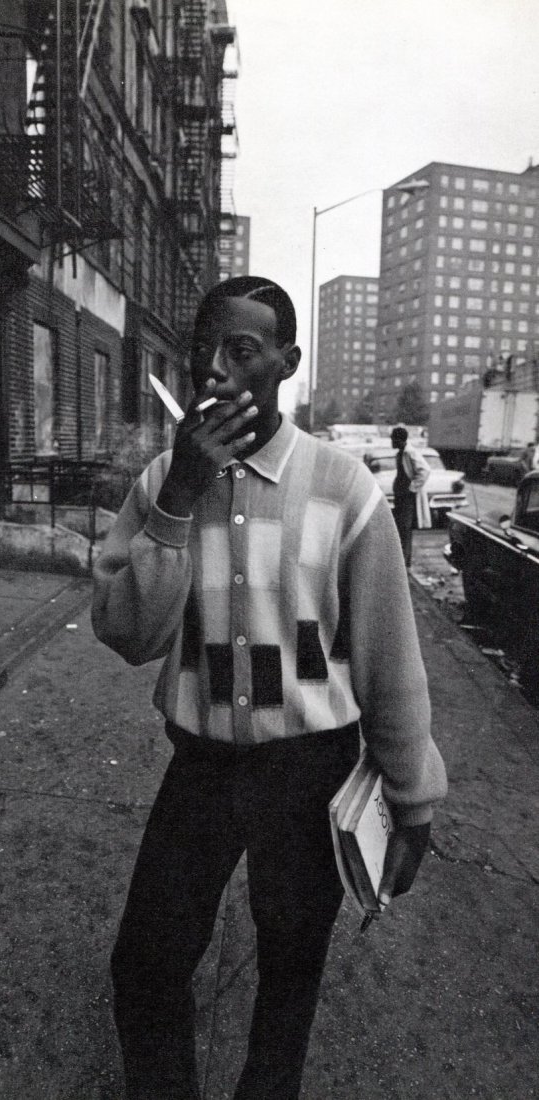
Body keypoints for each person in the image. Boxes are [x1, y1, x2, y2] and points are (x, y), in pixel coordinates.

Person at [91, 276, 447, 1100]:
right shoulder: (160, 483)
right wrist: (178, 498)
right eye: (202, 351)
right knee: (146, 962)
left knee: (290, 967)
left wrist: (414, 799)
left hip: (309, 772)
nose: (213, 371)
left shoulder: (344, 489)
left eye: (240, 351)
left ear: (284, 363)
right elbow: (125, 633)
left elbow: (391, 659)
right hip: (204, 767)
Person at [390, 425, 431, 567]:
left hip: (407, 497)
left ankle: (405, 562)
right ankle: (401, 559)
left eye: (393, 439)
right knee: (400, 528)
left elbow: (425, 470)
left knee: (405, 528)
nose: (391, 442)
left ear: (399, 440)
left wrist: (412, 488)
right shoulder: (400, 453)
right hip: (400, 496)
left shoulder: (410, 452)